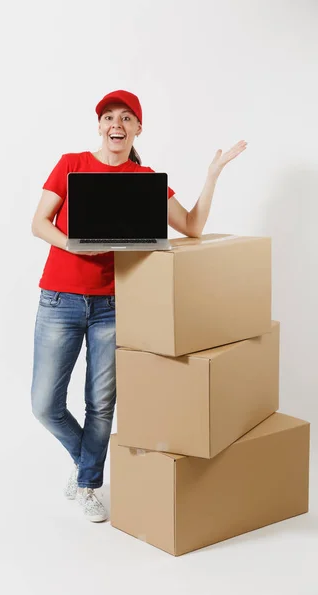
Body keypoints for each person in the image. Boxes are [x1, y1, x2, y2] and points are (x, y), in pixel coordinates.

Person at [30, 89, 247, 523]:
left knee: (101, 402)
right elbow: (39, 224)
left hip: (113, 305)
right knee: (44, 405)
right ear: (99, 126)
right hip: (60, 299)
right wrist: (74, 245)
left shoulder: (144, 179)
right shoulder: (72, 163)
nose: (116, 124)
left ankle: (89, 484)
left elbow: (191, 227)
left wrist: (212, 175)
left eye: (126, 118)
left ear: (137, 129)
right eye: (109, 117)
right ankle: (85, 464)